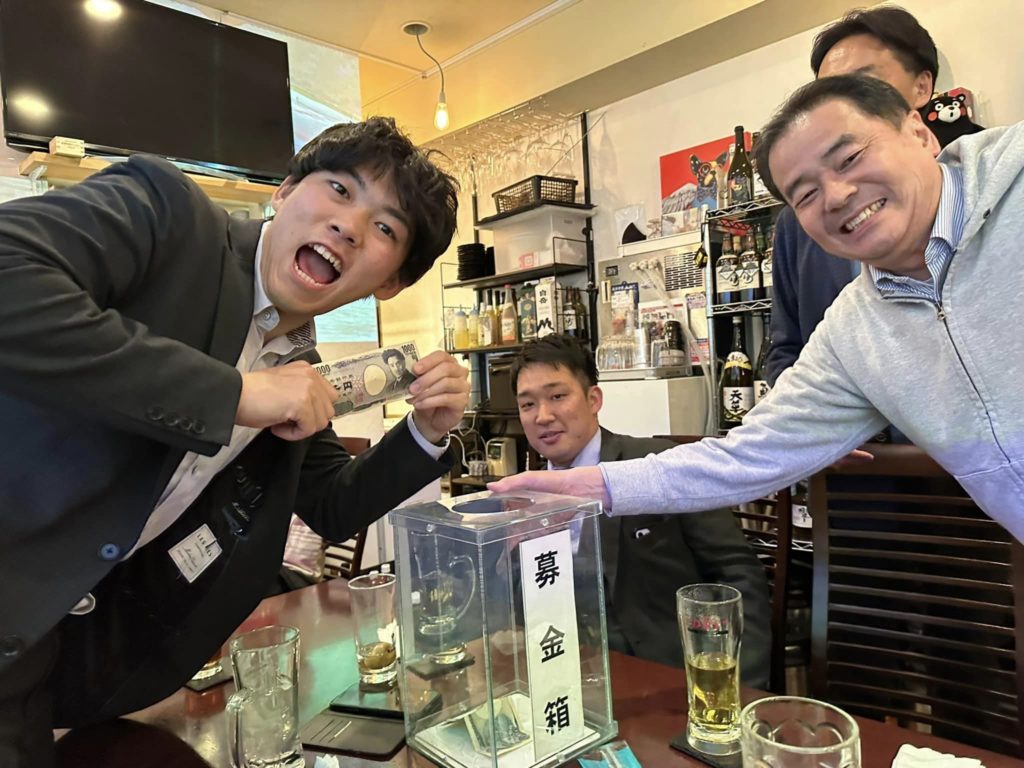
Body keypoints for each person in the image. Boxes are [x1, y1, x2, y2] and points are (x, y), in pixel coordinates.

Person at [0, 117, 469, 765]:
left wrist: (427, 432)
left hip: (44, 657)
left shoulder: (299, 365)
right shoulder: (167, 214)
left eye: (386, 228)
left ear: (392, 283)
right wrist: (233, 394)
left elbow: (332, 503)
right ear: (285, 190)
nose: (350, 226)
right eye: (339, 189)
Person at [491, 74, 1024, 546]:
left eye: (849, 159)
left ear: (919, 133)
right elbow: (746, 456)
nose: (836, 195)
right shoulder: (854, 329)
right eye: (805, 194)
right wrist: (595, 486)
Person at [511, 335, 771, 686]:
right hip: (569, 677)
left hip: (669, 675)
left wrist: (737, 684)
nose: (543, 416)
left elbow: (737, 572)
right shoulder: (525, 498)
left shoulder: (659, 464)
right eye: (528, 404)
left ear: (593, 399)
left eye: (557, 396)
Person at [766, 5, 983, 384]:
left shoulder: (995, 181)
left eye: (863, 83)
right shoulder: (803, 223)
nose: (837, 196)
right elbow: (789, 349)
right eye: (828, 91)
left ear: (922, 89)